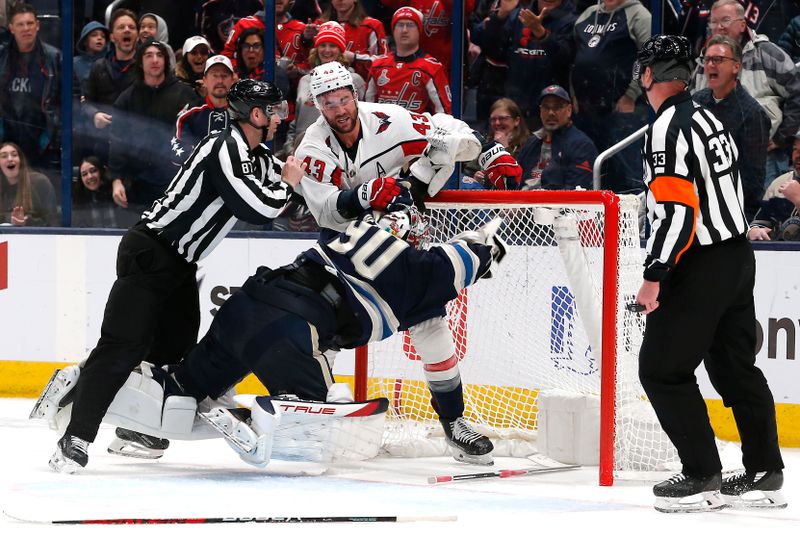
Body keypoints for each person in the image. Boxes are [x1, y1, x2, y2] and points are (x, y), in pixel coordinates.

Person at [60, 205, 504, 468]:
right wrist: (492, 232)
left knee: (180, 387)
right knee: (316, 421)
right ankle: (254, 419)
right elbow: (480, 253)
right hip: (293, 330)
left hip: (246, 304)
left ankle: (91, 391)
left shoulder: (352, 230)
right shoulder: (424, 272)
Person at [46, 79, 306, 473]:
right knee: (123, 346)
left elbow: (286, 185)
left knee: (172, 354)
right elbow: (259, 206)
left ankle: (137, 428)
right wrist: (288, 184)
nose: (279, 118)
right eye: (274, 110)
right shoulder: (224, 147)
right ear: (255, 114)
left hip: (180, 264)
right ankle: (74, 438)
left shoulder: (256, 153)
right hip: (150, 251)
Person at [631, 34, 785, 513]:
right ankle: (764, 469)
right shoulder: (707, 116)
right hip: (736, 255)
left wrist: (655, 273)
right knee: (734, 366)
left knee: (661, 369)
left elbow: (678, 211)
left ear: (651, 75)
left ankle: (701, 472)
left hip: (699, 261)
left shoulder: (666, 128)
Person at [294, 62, 522, 232]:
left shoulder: (386, 118)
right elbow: (325, 213)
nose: (340, 111)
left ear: (355, 96)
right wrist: (365, 195)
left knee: (442, 148)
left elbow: (441, 125)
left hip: (395, 228)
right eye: (329, 104)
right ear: (318, 106)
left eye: (344, 99)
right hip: (342, 239)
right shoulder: (312, 148)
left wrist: (490, 151)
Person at [689, 0, 800, 186]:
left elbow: (797, 94)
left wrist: (782, 137)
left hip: (764, 158)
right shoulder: (703, 61)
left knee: (759, 213)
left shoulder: (766, 53)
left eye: (725, 20)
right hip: (713, 161)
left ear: (742, 24)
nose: (719, 27)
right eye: (714, 22)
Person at [108, 37, 196, 225]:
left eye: (159, 55)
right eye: (148, 55)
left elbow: (198, 138)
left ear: (166, 61)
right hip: (138, 187)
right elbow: (117, 142)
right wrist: (116, 179)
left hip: (176, 185)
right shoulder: (127, 99)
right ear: (140, 62)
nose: (155, 60)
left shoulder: (185, 95)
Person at [570, 0, 650, 193]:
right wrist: (573, 93)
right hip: (585, 111)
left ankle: (630, 217)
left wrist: (631, 94)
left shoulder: (639, 15)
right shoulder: (587, 14)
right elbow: (576, 58)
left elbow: (647, 58)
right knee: (587, 173)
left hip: (621, 111)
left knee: (625, 174)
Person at [692, 35, 770, 222]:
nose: (710, 64)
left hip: (731, 214)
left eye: (718, 59)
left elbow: (753, 180)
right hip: (695, 205)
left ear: (736, 66)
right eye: (707, 59)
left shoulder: (752, 114)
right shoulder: (696, 102)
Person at [473, 0, 576, 129]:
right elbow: (493, 51)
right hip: (516, 105)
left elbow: (565, 58)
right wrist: (500, 16)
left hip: (552, 107)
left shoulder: (572, 20)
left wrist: (541, 34)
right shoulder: (517, 16)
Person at [283, 21, 366, 154]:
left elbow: (364, 120)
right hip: (304, 152)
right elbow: (297, 121)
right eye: (322, 45)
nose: (327, 50)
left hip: (339, 154)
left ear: (340, 51)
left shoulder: (354, 80)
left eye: (332, 45)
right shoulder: (305, 81)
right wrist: (290, 148)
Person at [0, 3, 62, 170]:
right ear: (11, 28)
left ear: (38, 26)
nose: (26, 28)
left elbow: (65, 100)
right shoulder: (1, 57)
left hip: (41, 143)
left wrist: (52, 135)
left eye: (30, 23)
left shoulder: (54, 58)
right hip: (6, 142)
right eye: (20, 24)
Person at [365, 7, 452, 114]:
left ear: (419, 30)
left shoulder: (431, 68)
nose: (404, 30)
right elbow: (367, 109)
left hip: (418, 128)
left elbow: (444, 114)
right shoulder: (378, 65)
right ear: (393, 30)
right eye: (400, 25)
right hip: (382, 128)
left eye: (410, 25)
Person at [80, 8, 139, 162]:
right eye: (121, 27)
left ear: (137, 35)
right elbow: (85, 102)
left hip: (137, 147)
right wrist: (94, 114)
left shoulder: (145, 68)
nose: (127, 30)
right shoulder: (98, 66)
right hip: (104, 145)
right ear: (112, 37)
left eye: (131, 27)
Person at [515, 85, 597, 190]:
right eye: (546, 107)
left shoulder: (582, 146)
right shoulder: (531, 142)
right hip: (521, 203)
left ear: (569, 110)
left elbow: (577, 193)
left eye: (557, 107)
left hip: (552, 205)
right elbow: (514, 181)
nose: (551, 113)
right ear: (540, 111)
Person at [171, 55, 236, 166]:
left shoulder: (244, 114)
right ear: (204, 80)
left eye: (224, 76)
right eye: (214, 75)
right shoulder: (189, 114)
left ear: (232, 80)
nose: (220, 80)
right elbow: (177, 155)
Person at [748, 134, 800, 241]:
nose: (797, 155)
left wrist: (798, 200)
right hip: (779, 255)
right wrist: (753, 231)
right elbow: (759, 222)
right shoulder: (779, 183)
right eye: (795, 149)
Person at [0, 141, 57, 226]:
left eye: (14, 155)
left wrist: (27, 222)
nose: (10, 159)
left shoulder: (40, 183)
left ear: (21, 160)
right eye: (4, 156)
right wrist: (9, 219)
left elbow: (52, 221)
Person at [72, 155, 118, 228]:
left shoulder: (116, 193)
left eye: (93, 171)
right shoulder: (78, 201)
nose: (90, 176)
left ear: (101, 172)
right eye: (84, 174)